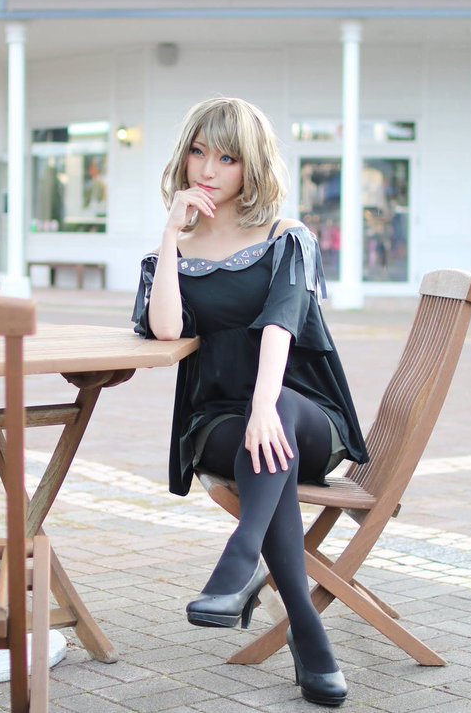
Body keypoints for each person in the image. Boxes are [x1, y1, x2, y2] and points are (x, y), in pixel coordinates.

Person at [132, 97, 367, 707]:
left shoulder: (286, 237)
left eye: (227, 157)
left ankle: (239, 560)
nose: (208, 169)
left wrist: (265, 406)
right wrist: (171, 234)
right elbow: (164, 329)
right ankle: (306, 633)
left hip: (302, 414)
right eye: (199, 152)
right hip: (219, 421)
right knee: (265, 462)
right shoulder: (174, 250)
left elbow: (280, 327)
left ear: (252, 165)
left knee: (275, 423)